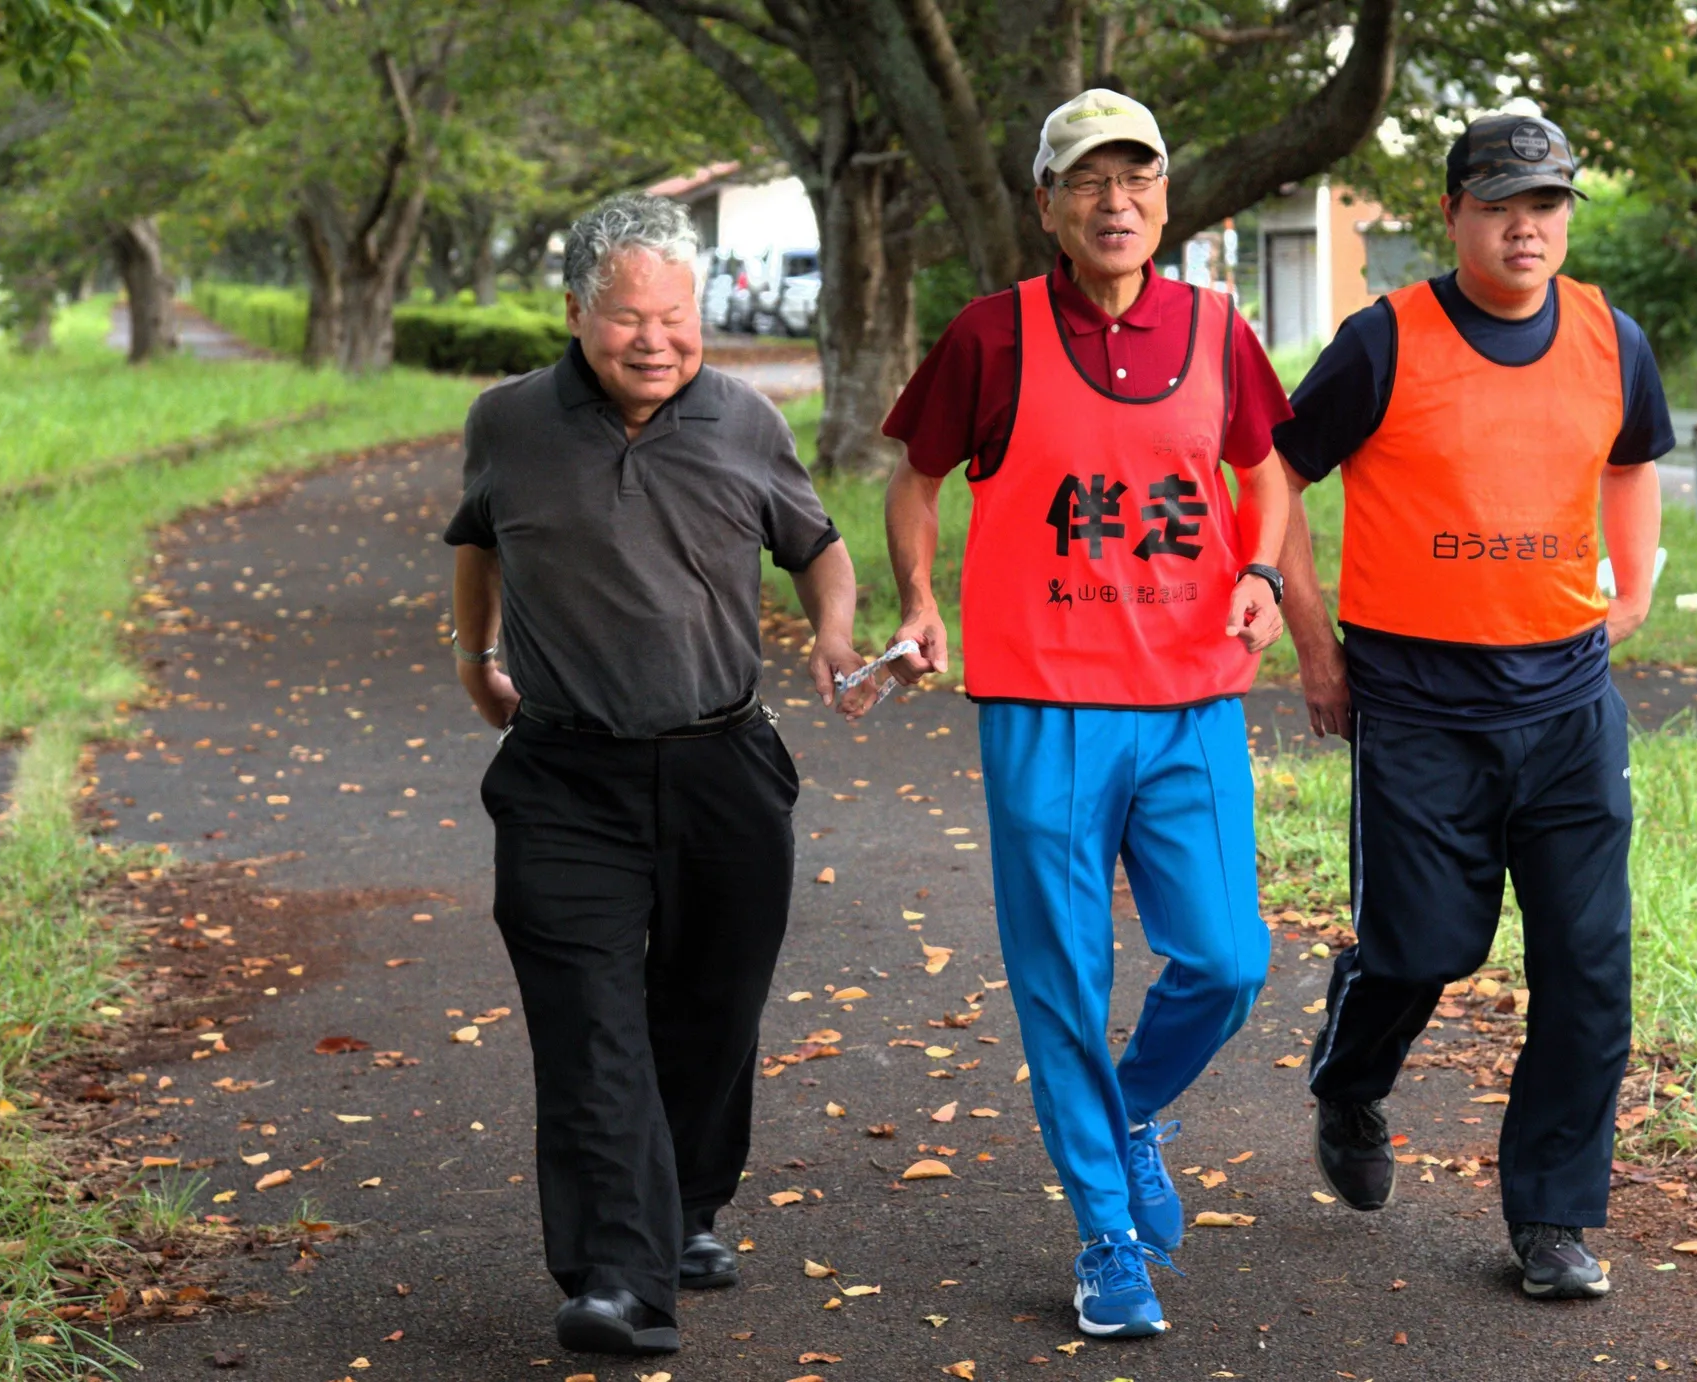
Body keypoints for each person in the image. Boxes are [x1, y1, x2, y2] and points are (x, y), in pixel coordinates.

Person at [882, 89, 1292, 1338]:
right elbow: (915, 475)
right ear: (1048, 206)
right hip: (1045, 704)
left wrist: (1264, 574)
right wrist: (917, 599)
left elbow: (1265, 468)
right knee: (1062, 975)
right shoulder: (990, 337)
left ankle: (1128, 1110)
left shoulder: (1221, 330)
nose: (1117, 203)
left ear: (1167, 196)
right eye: (1089, 182)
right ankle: (1108, 1237)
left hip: (1191, 699)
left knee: (1229, 958)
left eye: (1139, 178)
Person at [442, 194, 868, 1356]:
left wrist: (834, 631)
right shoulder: (510, 423)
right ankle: (616, 1274)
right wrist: (479, 654)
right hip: (565, 772)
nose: (655, 339)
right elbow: (477, 533)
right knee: (590, 1020)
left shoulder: (744, 421)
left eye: (677, 317)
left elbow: (818, 545)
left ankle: (687, 1206)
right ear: (576, 310)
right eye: (628, 316)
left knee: (710, 1005)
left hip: (723, 763)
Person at [1272, 113, 1673, 1300]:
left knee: (1589, 966)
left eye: (1546, 204)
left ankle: (1553, 1217)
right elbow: (1274, 474)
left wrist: (1636, 589)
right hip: (1418, 702)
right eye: (1501, 203)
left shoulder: (1611, 336)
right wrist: (1314, 648)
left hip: (1565, 704)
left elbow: (1634, 455)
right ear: (1451, 214)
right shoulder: (1384, 340)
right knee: (1424, 946)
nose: (1526, 226)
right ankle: (1351, 1080)